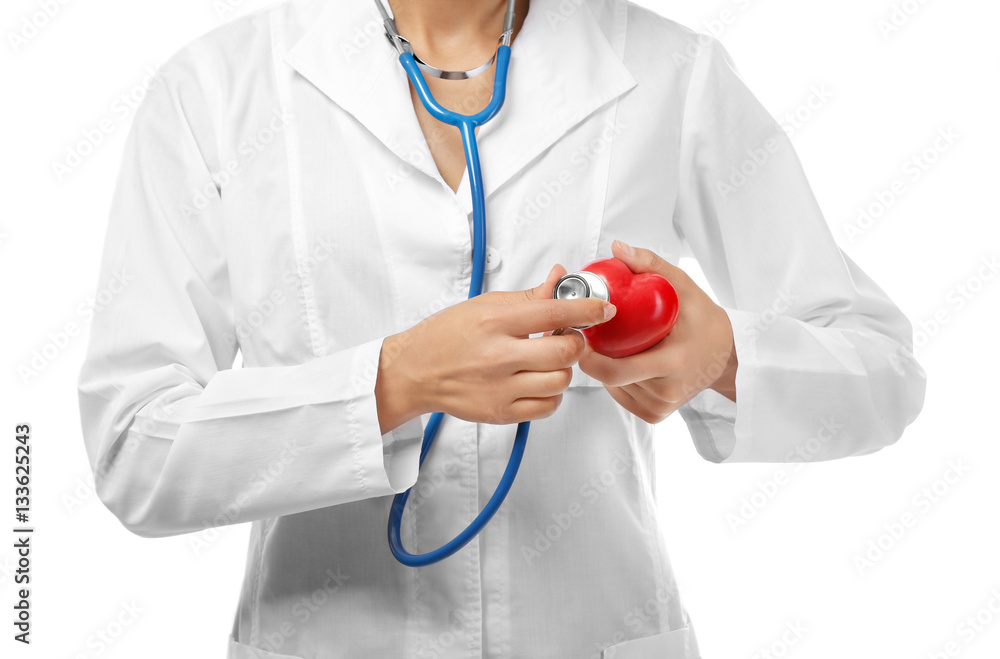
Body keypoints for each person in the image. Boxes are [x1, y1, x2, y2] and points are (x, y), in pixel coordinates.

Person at [76, 0, 928, 656]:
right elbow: (133, 445)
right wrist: (391, 383)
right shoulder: (217, 91)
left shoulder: (670, 73)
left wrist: (723, 356)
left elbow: (880, 372)